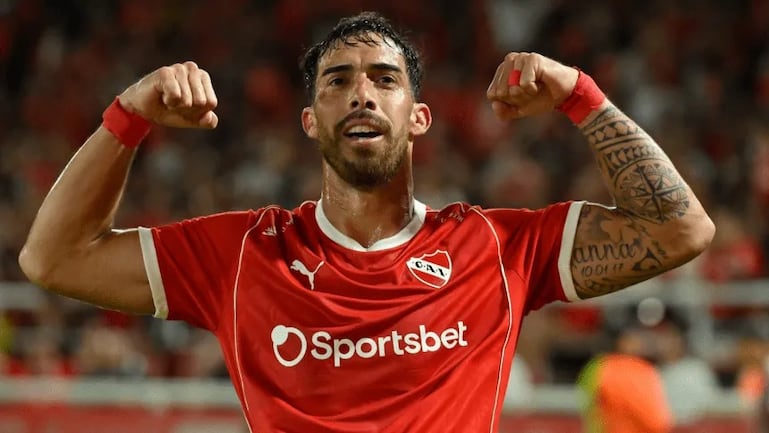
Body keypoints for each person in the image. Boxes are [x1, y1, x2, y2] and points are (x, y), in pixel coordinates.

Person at [18, 11, 714, 433]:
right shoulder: (243, 253)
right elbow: (54, 258)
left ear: (418, 117)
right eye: (337, 81)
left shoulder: (494, 248)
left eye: (385, 78)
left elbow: (680, 229)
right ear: (309, 120)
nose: (360, 93)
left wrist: (580, 96)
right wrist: (128, 116)